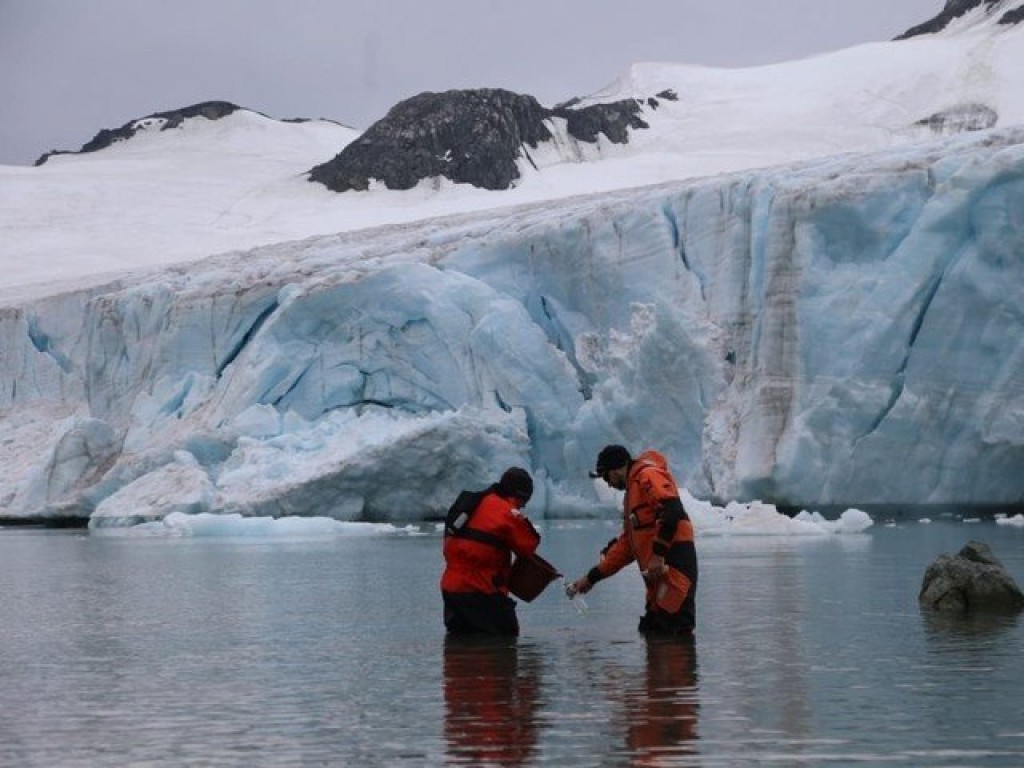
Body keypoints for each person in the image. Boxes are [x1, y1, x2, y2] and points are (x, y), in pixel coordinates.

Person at [567, 445, 698, 635]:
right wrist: (591, 578)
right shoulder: (632, 496)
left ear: (618, 468)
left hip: (674, 567)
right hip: (657, 578)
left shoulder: (648, 476)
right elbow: (627, 547)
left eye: (606, 477)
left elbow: (672, 511)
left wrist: (658, 555)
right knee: (652, 630)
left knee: (673, 632)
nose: (608, 484)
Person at [441, 467, 540, 636]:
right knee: (504, 645)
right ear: (520, 495)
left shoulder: (474, 503)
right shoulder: (507, 512)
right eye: (525, 501)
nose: (523, 506)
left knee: (460, 647)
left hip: (451, 590)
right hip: (481, 589)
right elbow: (528, 545)